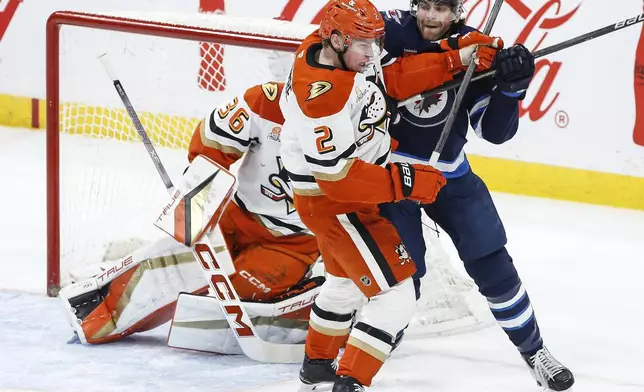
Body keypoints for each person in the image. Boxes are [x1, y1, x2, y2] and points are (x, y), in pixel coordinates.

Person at [278, 0, 501, 390]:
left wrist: (456, 58)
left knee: (345, 281)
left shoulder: (344, 52)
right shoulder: (323, 96)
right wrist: (405, 182)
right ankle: (351, 381)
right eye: (364, 45)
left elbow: (392, 79)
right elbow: (338, 178)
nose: (373, 53)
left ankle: (316, 364)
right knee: (397, 295)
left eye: (374, 41)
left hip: (337, 197)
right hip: (335, 203)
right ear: (335, 38)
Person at [378, 1, 575, 390]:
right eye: (426, 6)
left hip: (448, 176)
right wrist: (454, 58)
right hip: (392, 175)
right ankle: (376, 340)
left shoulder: (479, 48)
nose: (432, 17)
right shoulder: (386, 31)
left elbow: (495, 132)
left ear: (458, 12)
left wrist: (510, 88)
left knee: (493, 263)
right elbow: (387, 82)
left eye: (443, 9)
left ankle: (534, 350)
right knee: (402, 275)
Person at [58, 82, 322, 346]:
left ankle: (313, 293)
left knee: (231, 301)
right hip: (233, 217)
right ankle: (97, 306)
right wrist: (198, 195)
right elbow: (214, 142)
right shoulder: (268, 101)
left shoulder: (356, 128)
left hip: (295, 243)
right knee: (178, 270)